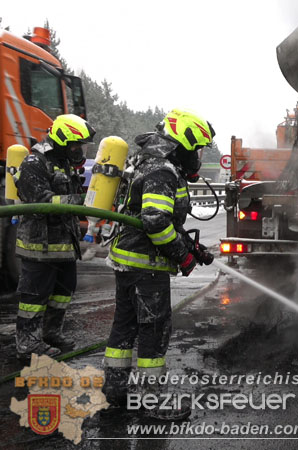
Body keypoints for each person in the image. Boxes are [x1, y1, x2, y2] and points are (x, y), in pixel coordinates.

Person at [102, 109, 214, 420]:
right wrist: (184, 256)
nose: (199, 157)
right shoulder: (163, 171)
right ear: (183, 144)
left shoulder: (149, 162)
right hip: (146, 268)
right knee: (153, 331)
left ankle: (117, 392)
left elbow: (155, 219)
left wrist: (193, 248)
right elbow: (156, 223)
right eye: (198, 149)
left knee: (124, 329)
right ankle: (151, 403)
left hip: (128, 263)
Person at [15, 114, 95, 360]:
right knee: (35, 296)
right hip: (39, 245)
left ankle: (51, 333)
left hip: (64, 245)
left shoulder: (62, 162)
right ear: (62, 141)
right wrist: (79, 202)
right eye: (75, 145)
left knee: (63, 291)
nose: (78, 150)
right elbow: (40, 202)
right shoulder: (34, 163)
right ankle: (27, 343)